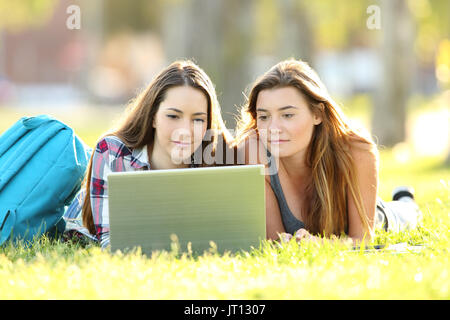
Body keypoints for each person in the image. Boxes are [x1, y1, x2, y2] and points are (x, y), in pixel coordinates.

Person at [233, 59, 422, 245]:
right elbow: (274, 241)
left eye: (287, 115)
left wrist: (319, 244)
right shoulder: (253, 153)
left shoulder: (356, 150)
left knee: (406, 215)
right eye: (264, 116)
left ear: (318, 114)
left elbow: (362, 239)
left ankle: (405, 200)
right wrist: (283, 242)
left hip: (381, 217)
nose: (273, 128)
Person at [63, 60, 232, 248]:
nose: (185, 130)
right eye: (173, 116)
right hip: (82, 219)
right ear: (153, 117)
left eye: (198, 119)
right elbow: (110, 243)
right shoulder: (112, 152)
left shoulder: (217, 158)